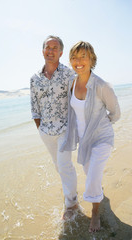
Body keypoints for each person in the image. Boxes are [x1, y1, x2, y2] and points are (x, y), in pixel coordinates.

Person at [60, 41, 121, 232]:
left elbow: (115, 113)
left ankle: (95, 212)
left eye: (83, 56)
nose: (79, 61)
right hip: (83, 140)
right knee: (90, 173)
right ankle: (98, 193)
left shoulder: (102, 86)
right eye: (74, 57)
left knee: (93, 176)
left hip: (102, 138)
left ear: (91, 59)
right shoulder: (72, 82)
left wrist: (100, 125)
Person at [30, 35, 78, 219]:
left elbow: (80, 97)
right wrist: (41, 128)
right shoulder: (35, 79)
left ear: (60, 52)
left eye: (54, 48)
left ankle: (71, 203)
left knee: (64, 165)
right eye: (47, 47)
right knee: (59, 165)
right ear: (43, 51)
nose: (50, 51)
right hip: (46, 132)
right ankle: (70, 190)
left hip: (65, 129)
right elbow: (35, 108)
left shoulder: (68, 74)